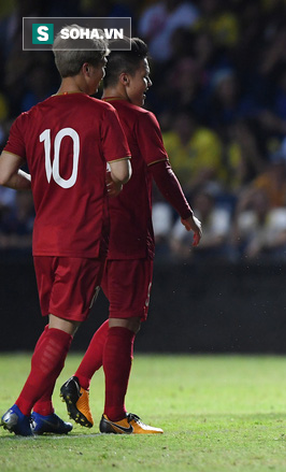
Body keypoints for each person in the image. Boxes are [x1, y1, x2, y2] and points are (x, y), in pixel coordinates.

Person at [57, 37, 202, 435]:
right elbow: (162, 172)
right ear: (124, 79)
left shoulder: (86, 115)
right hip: (129, 234)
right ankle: (115, 415)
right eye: (144, 76)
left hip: (87, 232)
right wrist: (187, 215)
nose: (149, 83)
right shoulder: (140, 120)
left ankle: (78, 384)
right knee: (125, 320)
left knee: (125, 315)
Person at [0, 27, 132, 436]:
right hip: (82, 238)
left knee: (52, 326)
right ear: (88, 70)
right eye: (103, 69)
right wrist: (112, 181)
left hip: (44, 241)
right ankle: (19, 409)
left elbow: (5, 174)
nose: (104, 77)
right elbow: (122, 172)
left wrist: (39, 181)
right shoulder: (103, 113)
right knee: (61, 330)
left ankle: (41, 411)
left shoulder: (30, 116)